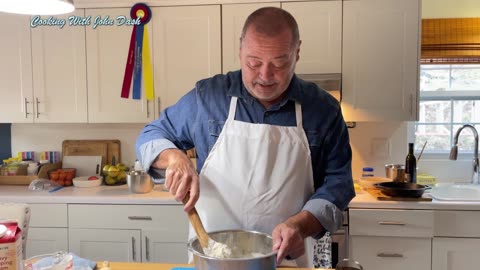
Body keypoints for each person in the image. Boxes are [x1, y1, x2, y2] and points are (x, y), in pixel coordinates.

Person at [135, 6, 354, 268]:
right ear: (240, 51)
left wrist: (301, 224)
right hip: (212, 259)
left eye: (279, 63)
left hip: (284, 261)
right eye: (254, 62)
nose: (264, 75)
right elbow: (150, 135)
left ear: (297, 53)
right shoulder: (208, 97)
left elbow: (338, 185)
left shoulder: (324, 110)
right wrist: (174, 158)